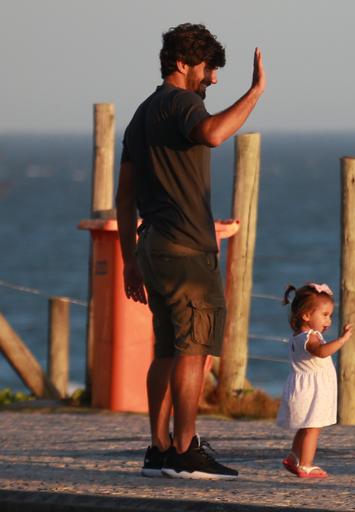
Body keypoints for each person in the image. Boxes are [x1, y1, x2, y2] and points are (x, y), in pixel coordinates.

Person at [116, 22, 266, 480]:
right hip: (186, 251)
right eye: (208, 68)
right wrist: (256, 91)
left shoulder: (141, 114)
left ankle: (159, 448)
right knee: (193, 352)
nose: (213, 80)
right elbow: (214, 134)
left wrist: (128, 260)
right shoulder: (182, 103)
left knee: (166, 350)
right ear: (182, 64)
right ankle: (184, 451)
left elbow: (124, 197)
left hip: (152, 248)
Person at [277, 283, 353, 479]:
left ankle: (294, 457)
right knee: (313, 428)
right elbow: (322, 352)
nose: (328, 320)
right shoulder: (310, 338)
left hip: (304, 388)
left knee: (306, 426)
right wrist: (342, 340)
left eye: (330, 315)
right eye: (325, 315)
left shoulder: (299, 336)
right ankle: (306, 465)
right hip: (312, 391)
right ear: (306, 316)